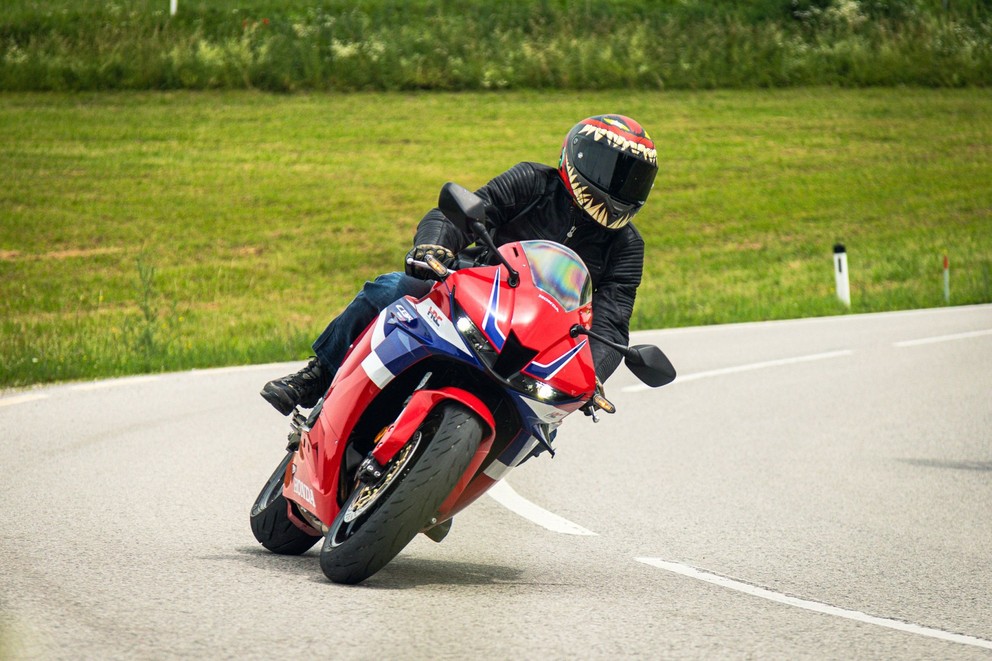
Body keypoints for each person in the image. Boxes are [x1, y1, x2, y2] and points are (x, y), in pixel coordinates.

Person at [261, 114, 658, 415]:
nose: (619, 188)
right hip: (472, 295)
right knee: (391, 288)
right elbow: (458, 215)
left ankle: (447, 485)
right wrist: (434, 248)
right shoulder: (533, 182)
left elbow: (612, 319)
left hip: (539, 343)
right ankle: (317, 375)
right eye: (612, 172)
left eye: (632, 179)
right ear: (580, 158)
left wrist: (594, 375)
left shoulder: (626, 246)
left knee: (544, 419)